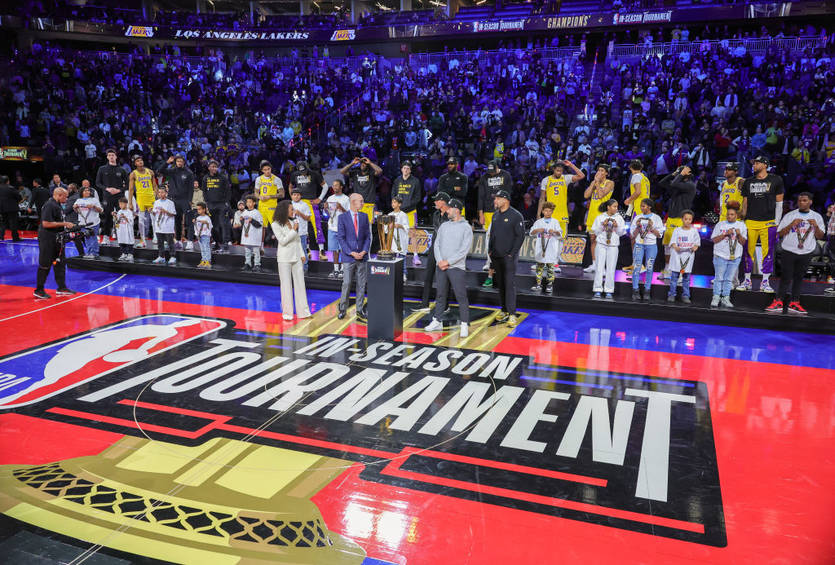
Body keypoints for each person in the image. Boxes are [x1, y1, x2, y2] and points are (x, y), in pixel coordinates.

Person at [765, 192, 825, 315]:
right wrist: (791, 224)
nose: (801, 203)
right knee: (786, 278)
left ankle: (795, 303)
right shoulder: (790, 215)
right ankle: (778, 302)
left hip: (806, 251)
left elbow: (820, 236)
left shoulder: (817, 217)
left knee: (799, 278)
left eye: (804, 200)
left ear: (810, 202)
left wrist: (816, 226)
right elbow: (780, 233)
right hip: (789, 250)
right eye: (799, 201)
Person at [424, 198, 473, 337]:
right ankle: (437, 320)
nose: (447, 211)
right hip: (442, 266)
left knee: (461, 296)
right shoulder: (444, 226)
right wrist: (440, 260)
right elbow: (436, 244)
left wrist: (448, 262)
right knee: (440, 295)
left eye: (449, 208)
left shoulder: (466, 227)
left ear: (456, 210)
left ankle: (464, 324)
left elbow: (464, 250)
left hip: (456, 267)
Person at [739, 155, 784, 293]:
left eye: (756, 163)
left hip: (768, 222)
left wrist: (776, 223)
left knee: (768, 253)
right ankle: (747, 280)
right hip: (750, 221)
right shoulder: (748, 182)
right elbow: (745, 203)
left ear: (765, 165)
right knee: (747, 252)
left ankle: (765, 281)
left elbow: (779, 203)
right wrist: (741, 222)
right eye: (753, 163)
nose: (753, 165)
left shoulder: (776, 179)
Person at [488, 190, 525, 326]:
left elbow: (520, 236)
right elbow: (492, 234)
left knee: (509, 285)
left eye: (497, 199)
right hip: (496, 255)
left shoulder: (516, 216)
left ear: (505, 200)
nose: (495, 201)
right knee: (501, 284)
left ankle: (512, 314)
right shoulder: (495, 215)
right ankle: (503, 310)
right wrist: (490, 251)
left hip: (508, 257)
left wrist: (512, 253)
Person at [271, 199, 311, 321]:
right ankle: (287, 314)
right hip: (284, 258)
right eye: (291, 209)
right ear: (284, 210)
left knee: (300, 283)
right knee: (286, 285)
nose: (293, 211)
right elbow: (283, 241)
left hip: (296, 256)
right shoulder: (275, 224)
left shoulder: (292, 222)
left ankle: (303, 312)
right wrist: (294, 230)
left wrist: (302, 253)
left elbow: (297, 240)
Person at [34, 187, 77, 299]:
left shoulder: (58, 205)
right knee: (45, 264)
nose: (67, 199)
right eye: (65, 196)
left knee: (60, 263)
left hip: (57, 239)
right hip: (47, 239)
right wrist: (64, 224)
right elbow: (46, 224)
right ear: (58, 195)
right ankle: (39, 290)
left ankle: (61, 287)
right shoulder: (50, 205)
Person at [478, 160, 513, 288]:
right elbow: (480, 196)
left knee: (501, 238)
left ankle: (500, 264)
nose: (491, 174)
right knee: (489, 238)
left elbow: (508, 194)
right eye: (489, 172)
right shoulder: (484, 177)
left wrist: (506, 210)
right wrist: (480, 213)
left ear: (498, 168)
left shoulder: (506, 175)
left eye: (493, 171)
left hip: (502, 210)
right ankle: (489, 262)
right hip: (488, 211)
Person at [336, 193, 372, 320]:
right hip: (348, 256)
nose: (363, 203)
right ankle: (342, 309)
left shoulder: (364, 216)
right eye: (361, 201)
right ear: (353, 202)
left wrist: (364, 251)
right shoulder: (342, 218)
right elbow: (341, 238)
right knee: (346, 283)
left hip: (362, 256)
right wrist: (351, 252)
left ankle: (360, 309)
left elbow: (367, 236)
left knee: (362, 283)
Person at [415, 192, 450, 312]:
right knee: (428, 275)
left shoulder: (451, 215)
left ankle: (445, 305)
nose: (434, 202)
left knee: (444, 278)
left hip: (446, 251)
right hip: (434, 249)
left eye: (436, 200)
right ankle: (425, 304)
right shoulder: (435, 214)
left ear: (443, 202)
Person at [660, 165, 696, 278]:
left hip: (682, 219)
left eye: (681, 172)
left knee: (679, 247)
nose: (679, 173)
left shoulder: (690, 185)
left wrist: (680, 175)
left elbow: (674, 184)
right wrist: (673, 174)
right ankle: (667, 269)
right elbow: (662, 183)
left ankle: (680, 272)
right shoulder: (677, 185)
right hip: (671, 218)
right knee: (667, 245)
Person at [710, 200, 746, 308]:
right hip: (720, 255)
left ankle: (726, 297)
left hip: (735, 257)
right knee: (718, 278)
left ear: (736, 215)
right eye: (728, 214)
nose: (729, 216)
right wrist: (725, 234)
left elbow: (743, 242)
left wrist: (739, 235)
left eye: (732, 215)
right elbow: (714, 240)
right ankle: (716, 297)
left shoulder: (742, 225)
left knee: (729, 279)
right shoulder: (720, 225)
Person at [537, 159, 585, 236]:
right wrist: (538, 215)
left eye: (561, 171)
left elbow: (582, 175)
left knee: (561, 241)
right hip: (550, 215)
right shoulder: (546, 180)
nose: (559, 172)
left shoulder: (566, 178)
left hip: (562, 215)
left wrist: (571, 165)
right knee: (550, 241)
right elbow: (542, 199)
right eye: (557, 170)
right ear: (553, 169)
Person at [630, 198, 665, 301]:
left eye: (643, 206)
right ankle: (635, 290)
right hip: (639, 244)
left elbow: (659, 235)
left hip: (651, 245)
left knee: (649, 268)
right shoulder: (638, 217)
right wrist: (637, 227)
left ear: (649, 206)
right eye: (641, 206)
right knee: (637, 267)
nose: (641, 208)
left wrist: (651, 228)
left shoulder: (656, 218)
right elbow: (632, 235)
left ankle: (647, 290)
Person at [590, 199, 626, 300]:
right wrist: (602, 225)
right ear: (608, 207)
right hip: (601, 244)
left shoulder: (619, 218)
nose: (616, 208)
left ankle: (609, 290)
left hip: (613, 246)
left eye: (617, 206)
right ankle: (597, 289)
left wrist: (616, 226)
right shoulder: (600, 217)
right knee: (599, 267)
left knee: (611, 268)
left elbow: (622, 233)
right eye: (614, 206)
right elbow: (595, 232)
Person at [290, 161, 328, 250]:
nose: (303, 173)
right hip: (299, 203)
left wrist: (320, 198)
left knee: (317, 225)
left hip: (311, 202)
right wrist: (293, 197)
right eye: (301, 172)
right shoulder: (295, 175)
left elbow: (325, 186)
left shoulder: (314, 174)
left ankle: (321, 249)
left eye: (304, 171)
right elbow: (290, 186)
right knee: (301, 226)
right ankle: (306, 249)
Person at [583, 164, 614, 274]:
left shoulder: (610, 183)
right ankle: (594, 264)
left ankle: (603, 266)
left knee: (603, 241)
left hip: (603, 215)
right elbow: (586, 195)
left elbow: (601, 195)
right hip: (592, 215)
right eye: (598, 170)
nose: (599, 172)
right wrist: (593, 183)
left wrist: (597, 183)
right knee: (592, 240)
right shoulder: (594, 182)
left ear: (606, 173)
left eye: (602, 170)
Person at [391, 161, 422, 265]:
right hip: (399, 212)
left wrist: (406, 206)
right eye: (404, 168)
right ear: (401, 169)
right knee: (397, 232)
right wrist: (396, 206)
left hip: (411, 211)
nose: (406, 170)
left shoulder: (415, 181)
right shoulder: (397, 180)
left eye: (408, 168)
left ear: (410, 170)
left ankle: (415, 256)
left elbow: (418, 197)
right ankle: (397, 253)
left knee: (412, 234)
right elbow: (393, 195)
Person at [95, 148, 129, 245]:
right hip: (107, 196)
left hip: (119, 197)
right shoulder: (102, 169)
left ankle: (121, 237)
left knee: (120, 216)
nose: (111, 157)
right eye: (109, 155)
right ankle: (106, 237)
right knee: (107, 217)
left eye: (113, 155)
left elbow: (127, 184)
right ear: (107, 157)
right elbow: (98, 183)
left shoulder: (122, 169)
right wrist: (107, 189)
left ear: (116, 157)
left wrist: (119, 190)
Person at [161, 154, 197, 245]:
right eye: (178, 161)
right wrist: (167, 162)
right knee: (177, 221)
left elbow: (191, 188)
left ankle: (190, 241)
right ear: (175, 162)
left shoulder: (189, 173)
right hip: (174, 200)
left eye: (181, 161)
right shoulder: (172, 171)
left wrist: (189, 200)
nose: (179, 163)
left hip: (185, 200)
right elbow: (159, 171)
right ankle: (178, 240)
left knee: (189, 221)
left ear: (184, 162)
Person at [666, 210, 700, 304]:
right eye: (686, 219)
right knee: (674, 278)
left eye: (690, 219)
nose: (688, 221)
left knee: (686, 278)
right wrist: (675, 247)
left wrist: (694, 247)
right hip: (677, 257)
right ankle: (672, 294)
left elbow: (697, 244)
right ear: (682, 219)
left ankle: (685, 295)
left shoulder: (694, 231)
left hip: (688, 258)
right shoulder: (677, 230)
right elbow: (672, 243)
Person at [530, 201, 563, 294]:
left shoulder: (555, 222)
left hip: (551, 248)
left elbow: (560, 234)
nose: (547, 213)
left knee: (550, 267)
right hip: (541, 248)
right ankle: (538, 284)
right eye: (546, 211)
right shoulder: (538, 222)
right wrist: (537, 230)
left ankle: (549, 284)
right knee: (539, 266)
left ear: (552, 212)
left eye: (550, 211)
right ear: (542, 211)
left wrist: (555, 232)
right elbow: (531, 232)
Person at [340, 156, 382, 224]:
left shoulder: (371, 173)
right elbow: (342, 171)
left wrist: (370, 162)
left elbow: (380, 171)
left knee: (368, 227)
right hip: (358, 204)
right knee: (358, 227)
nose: (362, 164)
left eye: (364, 163)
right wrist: (352, 163)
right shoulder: (355, 173)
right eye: (361, 163)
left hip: (369, 204)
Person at [128, 155, 157, 248]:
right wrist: (130, 202)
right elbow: (131, 189)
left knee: (154, 219)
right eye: (138, 161)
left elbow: (155, 185)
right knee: (141, 220)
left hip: (150, 197)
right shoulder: (133, 174)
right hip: (140, 198)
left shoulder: (150, 172)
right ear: (135, 163)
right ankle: (142, 240)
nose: (140, 162)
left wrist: (155, 195)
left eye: (141, 160)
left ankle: (156, 237)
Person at [202, 159, 231, 252]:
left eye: (216, 167)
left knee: (223, 223)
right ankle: (217, 243)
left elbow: (228, 191)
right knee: (214, 226)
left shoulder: (223, 177)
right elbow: (204, 191)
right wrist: (206, 203)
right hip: (211, 204)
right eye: (212, 166)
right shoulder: (205, 178)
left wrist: (226, 202)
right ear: (209, 168)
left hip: (221, 204)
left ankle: (226, 242)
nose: (214, 168)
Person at [326, 179, 350, 279]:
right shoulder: (330, 198)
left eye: (336, 185)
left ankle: (343, 270)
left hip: (343, 228)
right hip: (332, 227)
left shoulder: (346, 199)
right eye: (333, 185)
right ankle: (336, 269)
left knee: (343, 249)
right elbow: (329, 214)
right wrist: (325, 209)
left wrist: (341, 208)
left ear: (341, 187)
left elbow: (349, 215)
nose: (334, 187)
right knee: (334, 250)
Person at [255, 160, 284, 240]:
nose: (267, 171)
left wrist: (270, 196)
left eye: (268, 169)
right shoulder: (258, 179)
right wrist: (259, 197)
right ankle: (261, 247)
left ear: (271, 168)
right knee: (262, 227)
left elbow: (282, 194)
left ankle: (280, 246)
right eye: (265, 170)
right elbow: (256, 193)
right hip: (261, 206)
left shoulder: (277, 179)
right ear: (262, 170)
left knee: (276, 227)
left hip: (272, 206)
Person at [73, 185, 103, 258]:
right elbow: (76, 211)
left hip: (93, 222)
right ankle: (89, 253)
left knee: (93, 238)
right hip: (83, 223)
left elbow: (101, 210)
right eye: (85, 190)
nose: (88, 192)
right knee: (87, 238)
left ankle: (95, 253)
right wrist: (75, 207)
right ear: (82, 192)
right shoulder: (78, 200)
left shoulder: (94, 200)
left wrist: (94, 207)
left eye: (88, 190)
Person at [151, 187, 177, 265]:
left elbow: (173, 214)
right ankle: (161, 256)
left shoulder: (170, 203)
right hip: (159, 225)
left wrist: (165, 211)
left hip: (168, 225)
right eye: (159, 192)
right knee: (160, 243)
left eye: (162, 192)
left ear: (166, 193)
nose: (161, 194)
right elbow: (155, 213)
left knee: (170, 242)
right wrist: (151, 211)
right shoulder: (156, 202)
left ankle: (173, 256)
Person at [240, 195, 265, 272]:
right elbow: (243, 224)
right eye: (247, 202)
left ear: (254, 203)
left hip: (254, 235)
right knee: (247, 251)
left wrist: (252, 220)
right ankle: (248, 263)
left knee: (256, 251)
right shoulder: (245, 212)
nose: (248, 203)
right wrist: (241, 220)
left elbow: (260, 224)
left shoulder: (257, 213)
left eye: (250, 202)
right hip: (247, 235)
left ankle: (257, 264)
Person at [388, 195, 410, 279]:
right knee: (392, 256)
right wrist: (389, 226)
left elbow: (407, 227)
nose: (393, 204)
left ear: (399, 204)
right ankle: (393, 273)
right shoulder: (390, 214)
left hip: (401, 239)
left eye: (395, 202)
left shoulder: (403, 215)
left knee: (401, 257)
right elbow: (386, 229)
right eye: (392, 202)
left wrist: (399, 225)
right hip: (392, 239)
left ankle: (404, 273)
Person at [290, 188, 312, 270]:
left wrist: (300, 213)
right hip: (290, 232)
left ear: (301, 196)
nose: (296, 196)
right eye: (294, 195)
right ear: (291, 196)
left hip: (301, 232)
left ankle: (304, 267)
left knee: (302, 250)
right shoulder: (289, 204)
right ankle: (293, 267)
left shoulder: (304, 205)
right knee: (291, 250)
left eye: (298, 195)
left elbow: (308, 218)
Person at [0, 175, 22, 241]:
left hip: (2, 209)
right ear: (8, 181)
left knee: (3, 223)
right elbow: (19, 197)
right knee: (13, 223)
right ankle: (15, 238)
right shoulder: (11, 188)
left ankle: (1, 237)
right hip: (12, 209)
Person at [114, 197, 135, 262]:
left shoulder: (129, 212)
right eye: (119, 204)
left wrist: (125, 217)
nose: (120, 205)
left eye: (122, 204)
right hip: (121, 230)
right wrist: (115, 216)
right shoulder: (119, 211)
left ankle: (130, 254)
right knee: (121, 241)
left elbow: (131, 222)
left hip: (127, 230)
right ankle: (124, 253)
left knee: (128, 242)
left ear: (126, 204)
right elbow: (117, 222)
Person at [193, 202, 213, 268]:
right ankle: (203, 260)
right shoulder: (198, 218)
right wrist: (194, 223)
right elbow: (196, 227)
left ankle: (208, 261)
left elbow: (210, 226)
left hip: (205, 235)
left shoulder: (207, 218)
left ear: (204, 209)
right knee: (202, 248)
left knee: (206, 247)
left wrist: (206, 223)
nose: (198, 211)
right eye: (197, 209)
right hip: (199, 235)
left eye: (200, 209)